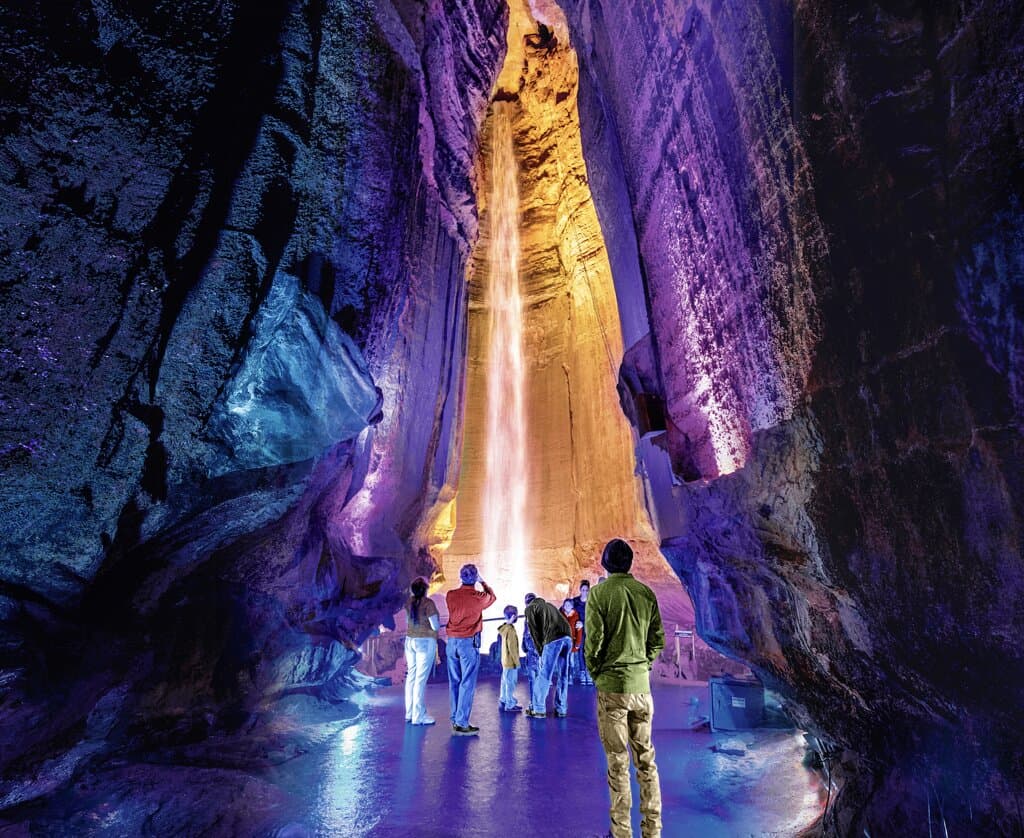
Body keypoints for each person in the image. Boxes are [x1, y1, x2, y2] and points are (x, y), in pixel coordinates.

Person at [585, 539, 665, 838]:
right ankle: (653, 831)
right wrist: (643, 665)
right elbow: (658, 638)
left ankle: (621, 833)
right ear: (630, 563)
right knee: (646, 760)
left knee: (617, 762)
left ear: (605, 563)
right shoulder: (646, 593)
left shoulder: (599, 594)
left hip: (612, 688)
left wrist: (596, 672)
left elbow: (593, 641)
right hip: (642, 688)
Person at [445, 564, 496, 735]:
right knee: (467, 682)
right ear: (475, 578)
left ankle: (455, 719)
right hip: (468, 644)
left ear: (461, 577)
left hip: (451, 642)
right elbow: (492, 597)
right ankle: (462, 723)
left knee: (454, 681)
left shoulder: (450, 595)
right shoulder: (478, 597)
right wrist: (483, 582)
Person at [524, 593, 572, 718]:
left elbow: (535, 633)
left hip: (553, 639)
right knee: (563, 674)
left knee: (545, 673)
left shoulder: (530, 609)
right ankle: (561, 708)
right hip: (567, 637)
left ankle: (538, 708)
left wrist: (540, 653)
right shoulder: (549, 605)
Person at [404, 577, 439, 725]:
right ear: (425, 589)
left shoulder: (408, 602)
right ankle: (419, 716)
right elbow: (435, 626)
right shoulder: (428, 603)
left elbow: (409, 621)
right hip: (425, 641)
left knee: (411, 677)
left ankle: (410, 713)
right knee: (420, 679)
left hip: (410, 641)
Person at [497, 605, 523, 712]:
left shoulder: (505, 628)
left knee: (505, 681)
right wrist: (517, 662)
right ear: (513, 616)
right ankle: (510, 704)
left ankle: (503, 700)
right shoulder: (511, 631)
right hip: (511, 662)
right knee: (510, 683)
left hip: (505, 661)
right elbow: (512, 648)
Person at [573, 580, 594, 685]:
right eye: (583, 590)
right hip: (579, 631)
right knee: (581, 650)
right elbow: (566, 609)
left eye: (586, 590)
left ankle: (589, 672)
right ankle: (582, 672)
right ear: (580, 590)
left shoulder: (592, 602)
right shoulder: (575, 601)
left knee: (589, 650)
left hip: (589, 629)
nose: (585, 592)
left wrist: (584, 623)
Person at [522, 594, 541, 697]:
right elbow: (525, 634)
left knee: (535, 679)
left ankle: (537, 703)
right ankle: (536, 703)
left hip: (536, 654)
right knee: (533, 679)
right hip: (532, 654)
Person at [561, 598, 583, 684]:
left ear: (572, 606)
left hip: (572, 643)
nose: (567, 607)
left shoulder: (576, 616)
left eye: (569, 605)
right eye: (565, 605)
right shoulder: (561, 615)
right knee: (563, 660)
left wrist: (577, 643)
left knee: (571, 661)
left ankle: (570, 677)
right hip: (563, 643)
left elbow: (579, 631)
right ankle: (564, 677)